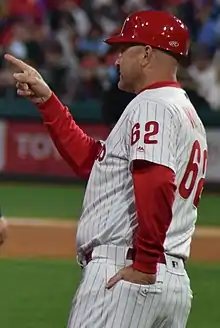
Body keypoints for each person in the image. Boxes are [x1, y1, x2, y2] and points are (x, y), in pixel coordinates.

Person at [5, 10, 208, 328]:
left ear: (146, 54)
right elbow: (95, 161)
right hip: (173, 284)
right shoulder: (186, 113)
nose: (115, 60)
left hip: (128, 271)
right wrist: (48, 102)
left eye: (123, 50)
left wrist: (144, 263)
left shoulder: (151, 104)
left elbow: (156, 181)